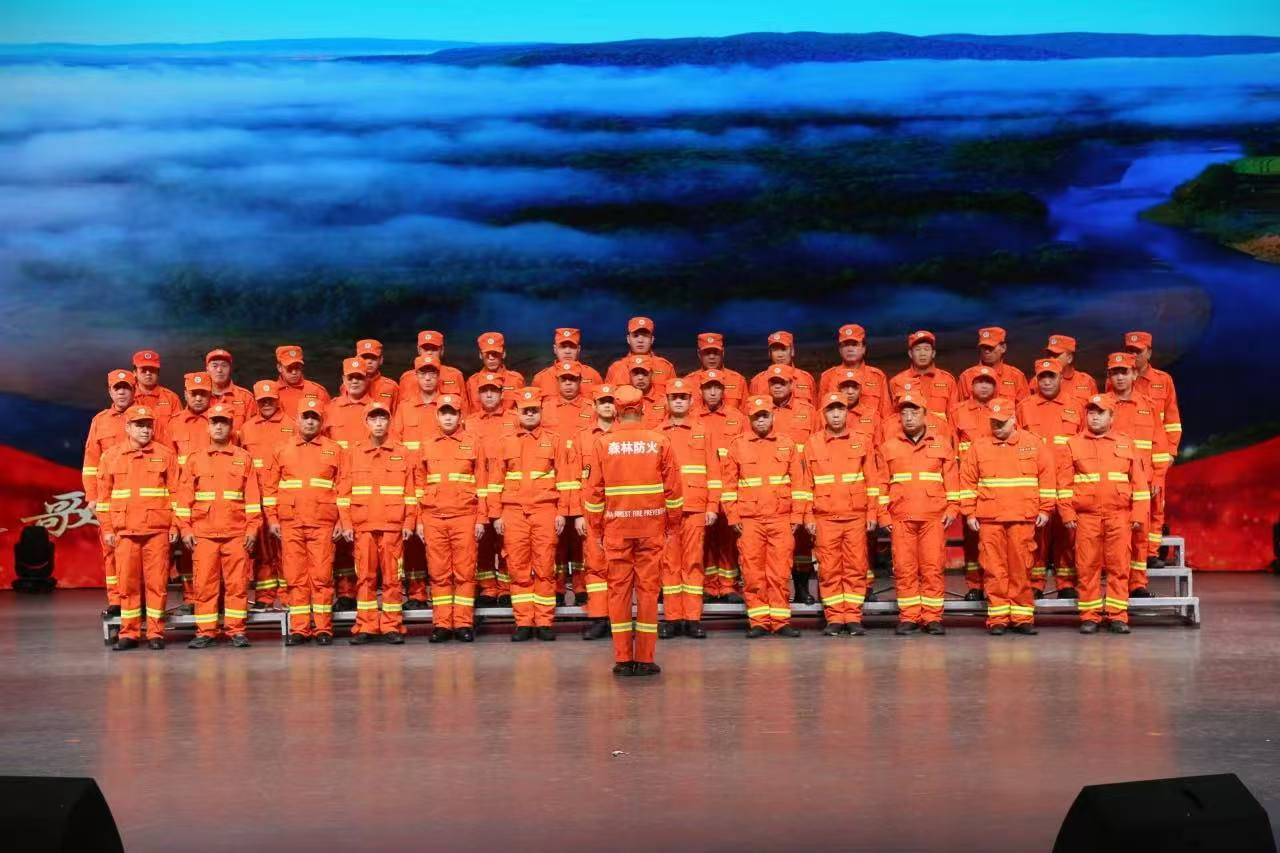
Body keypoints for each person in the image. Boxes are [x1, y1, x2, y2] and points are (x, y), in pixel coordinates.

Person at [582, 385, 683, 676]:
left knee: (619, 592)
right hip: (652, 528)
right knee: (649, 592)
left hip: (616, 529)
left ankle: (623, 659)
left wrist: (596, 530)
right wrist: (672, 525)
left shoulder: (603, 444)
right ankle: (646, 659)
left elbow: (593, 493)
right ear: (642, 408)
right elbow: (674, 491)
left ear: (616, 409)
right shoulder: (660, 441)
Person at [486, 387, 578, 641]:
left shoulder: (554, 440)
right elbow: (495, 481)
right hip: (513, 512)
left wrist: (562, 512)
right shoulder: (505, 441)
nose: (529, 414)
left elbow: (565, 479)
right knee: (518, 568)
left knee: (545, 566)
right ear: (517, 412)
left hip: (545, 510)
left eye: (534, 410)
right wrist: (496, 515)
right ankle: (524, 621)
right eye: (525, 410)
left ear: (540, 412)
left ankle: (544, 622)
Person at [959, 398, 1054, 636]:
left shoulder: (1033, 444)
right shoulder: (979, 446)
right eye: (994, 422)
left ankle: (1022, 617)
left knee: (1021, 567)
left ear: (1013, 420)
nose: (997, 427)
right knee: (993, 569)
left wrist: (1046, 508)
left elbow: (1047, 476)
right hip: (990, 518)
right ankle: (998, 617)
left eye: (1002, 422)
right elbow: (968, 481)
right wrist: (969, 512)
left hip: (1023, 517)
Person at [1058, 394, 1151, 634]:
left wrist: (1138, 515)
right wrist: (1067, 513)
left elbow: (1139, 484)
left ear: (1112, 417)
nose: (1095, 417)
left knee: (1119, 566)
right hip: (1086, 517)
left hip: (1119, 515)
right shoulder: (1073, 444)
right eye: (1091, 412)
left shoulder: (1126, 444)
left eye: (1100, 413)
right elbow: (1063, 484)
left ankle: (1117, 615)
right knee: (1086, 566)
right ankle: (1090, 616)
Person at [720, 396, 810, 638]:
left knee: (780, 571)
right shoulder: (737, 445)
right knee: (752, 572)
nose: (761, 420)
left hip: (781, 519)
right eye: (756, 416)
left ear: (772, 416)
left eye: (765, 415)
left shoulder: (787, 444)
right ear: (749, 418)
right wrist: (733, 516)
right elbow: (728, 485)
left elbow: (799, 484)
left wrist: (797, 516)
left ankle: (780, 621)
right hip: (750, 521)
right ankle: (758, 621)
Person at [175, 404, 261, 648]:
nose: (219, 426)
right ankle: (206, 632)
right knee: (204, 586)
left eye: (224, 422)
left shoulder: (243, 458)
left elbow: (252, 499)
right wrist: (185, 529)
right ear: (208, 427)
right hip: (203, 535)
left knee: (237, 585)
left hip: (236, 534)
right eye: (215, 422)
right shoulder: (195, 459)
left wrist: (252, 529)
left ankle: (236, 631)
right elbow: (184, 499)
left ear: (231, 427)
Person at [97, 405, 180, 650]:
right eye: (139, 425)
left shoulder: (166, 455)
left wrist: (175, 525)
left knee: (157, 585)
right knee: (127, 585)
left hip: (157, 531)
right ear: (128, 427)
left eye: (148, 425)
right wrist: (108, 529)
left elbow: (177, 494)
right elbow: (104, 499)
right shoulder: (110, 457)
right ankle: (129, 633)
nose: (145, 430)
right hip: (125, 532)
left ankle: (156, 633)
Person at [262, 399, 343, 646]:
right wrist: (272, 518)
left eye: (314, 417)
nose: (310, 421)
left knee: (322, 576)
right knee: (295, 577)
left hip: (323, 522)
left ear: (321, 421)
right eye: (306, 417)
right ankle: (299, 628)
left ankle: (323, 628)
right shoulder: (281, 449)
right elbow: (270, 489)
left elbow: (344, 488)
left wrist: (343, 520)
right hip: (291, 523)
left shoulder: (335, 450)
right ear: (297, 420)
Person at [879, 392, 960, 636]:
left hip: (933, 517)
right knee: (904, 569)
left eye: (914, 412)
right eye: (904, 413)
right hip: (900, 517)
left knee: (932, 567)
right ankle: (909, 616)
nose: (909, 417)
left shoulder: (942, 445)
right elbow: (881, 484)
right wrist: (883, 515)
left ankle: (932, 617)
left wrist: (953, 507)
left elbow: (952, 480)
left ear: (925, 415)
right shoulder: (888, 447)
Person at [337, 401, 416, 645]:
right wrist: (346, 524)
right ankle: (366, 625)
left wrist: (409, 522)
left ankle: (392, 625)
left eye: (383, 418)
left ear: (389, 422)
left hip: (393, 525)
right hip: (363, 526)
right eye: (374, 419)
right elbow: (343, 492)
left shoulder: (403, 452)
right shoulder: (353, 453)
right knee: (365, 578)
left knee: (392, 579)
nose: (379, 423)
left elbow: (411, 492)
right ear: (366, 422)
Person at [805, 393, 883, 636]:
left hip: (855, 516)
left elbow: (873, 481)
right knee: (828, 569)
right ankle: (835, 617)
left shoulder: (862, 440)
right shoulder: (812, 443)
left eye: (840, 409)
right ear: (824, 414)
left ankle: (853, 616)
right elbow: (806, 484)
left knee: (856, 567)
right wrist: (808, 516)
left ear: (847, 412)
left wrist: (872, 512)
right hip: (825, 517)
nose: (836, 414)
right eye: (831, 410)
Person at [416, 395, 485, 643]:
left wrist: (481, 519)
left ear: (460, 416)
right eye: (444, 413)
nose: (448, 417)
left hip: (465, 516)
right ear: (437, 416)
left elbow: (483, 484)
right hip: (433, 517)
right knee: (439, 573)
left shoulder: (473, 443)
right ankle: (442, 624)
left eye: (452, 413)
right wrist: (419, 520)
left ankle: (464, 623)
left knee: (465, 572)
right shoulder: (426, 445)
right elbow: (419, 485)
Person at [656, 378, 720, 639]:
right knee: (669, 564)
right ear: (667, 401)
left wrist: (712, 505)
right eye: (674, 397)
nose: (679, 401)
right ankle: (673, 618)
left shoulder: (703, 431)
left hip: (695, 507)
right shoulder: (657, 434)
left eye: (683, 397)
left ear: (692, 400)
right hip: (665, 510)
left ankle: (693, 618)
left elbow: (714, 471)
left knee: (693, 562)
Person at [1016, 358, 1084, 597]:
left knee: (1067, 534)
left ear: (1060, 378)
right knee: (1037, 535)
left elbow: (1083, 443)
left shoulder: (1076, 406)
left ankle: (1066, 584)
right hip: (1034, 482)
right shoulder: (1024, 407)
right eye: (1042, 377)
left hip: (1067, 482)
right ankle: (1035, 584)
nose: (1046, 382)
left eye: (1051, 377)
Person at [1106, 351, 1170, 594]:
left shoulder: (1149, 406)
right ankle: (1114, 587)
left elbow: (1159, 446)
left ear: (1134, 374)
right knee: (1113, 537)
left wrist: (1158, 476)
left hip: (1142, 482)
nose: (1120, 377)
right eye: (1115, 373)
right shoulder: (1099, 406)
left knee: (1140, 534)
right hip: (1112, 482)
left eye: (1124, 372)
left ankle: (1138, 584)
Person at [1121, 331, 1181, 569]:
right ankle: (1128, 552)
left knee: (1155, 505)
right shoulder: (1120, 377)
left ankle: (1150, 553)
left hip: (1155, 455)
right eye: (1129, 350)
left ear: (1149, 353)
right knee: (1127, 507)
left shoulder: (1163, 380)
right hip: (1125, 459)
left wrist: (1170, 453)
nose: (1133, 355)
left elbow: (1172, 421)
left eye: (1138, 351)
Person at [390, 354, 446, 607]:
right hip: (409, 479)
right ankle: (416, 593)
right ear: (416, 376)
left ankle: (442, 593)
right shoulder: (404, 408)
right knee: (411, 538)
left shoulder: (447, 407)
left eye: (432, 373)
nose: (428, 378)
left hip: (437, 481)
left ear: (438, 376)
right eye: (423, 373)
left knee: (439, 540)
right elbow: (395, 444)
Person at [762, 363, 818, 604]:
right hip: (771, 487)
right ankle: (773, 593)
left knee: (802, 540)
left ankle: (802, 588)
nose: (777, 387)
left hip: (801, 483)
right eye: (773, 383)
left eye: (782, 383)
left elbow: (818, 444)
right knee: (773, 545)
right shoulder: (761, 411)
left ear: (792, 385)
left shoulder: (808, 412)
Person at [84, 369, 139, 616]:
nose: (122, 392)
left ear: (134, 390)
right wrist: (92, 496)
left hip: (139, 497)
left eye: (126, 388)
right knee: (111, 549)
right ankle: (117, 600)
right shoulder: (100, 421)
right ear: (110, 391)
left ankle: (139, 600)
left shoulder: (145, 417)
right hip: (110, 497)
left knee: (138, 553)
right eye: (117, 388)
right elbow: (90, 463)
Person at [240, 380, 297, 612]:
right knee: (262, 552)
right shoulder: (246, 428)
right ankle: (264, 596)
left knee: (286, 551)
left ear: (277, 400)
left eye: (270, 400)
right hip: (255, 498)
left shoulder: (292, 425)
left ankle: (288, 596)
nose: (266, 404)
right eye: (262, 401)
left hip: (283, 499)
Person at [325, 357, 377, 609]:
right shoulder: (330, 409)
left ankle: (366, 594)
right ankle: (345, 593)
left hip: (365, 483)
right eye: (350, 377)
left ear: (367, 379)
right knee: (340, 542)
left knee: (364, 543)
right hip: (334, 481)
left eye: (359, 377)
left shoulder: (377, 410)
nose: (355, 381)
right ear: (343, 380)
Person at [695, 370, 746, 602]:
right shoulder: (693, 417)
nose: (713, 392)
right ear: (701, 391)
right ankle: (707, 585)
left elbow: (747, 449)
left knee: (728, 539)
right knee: (704, 539)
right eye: (708, 388)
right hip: (702, 487)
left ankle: (727, 585)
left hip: (730, 485)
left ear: (724, 390)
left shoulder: (738, 417)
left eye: (717, 387)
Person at [573, 384, 618, 639]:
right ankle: (600, 618)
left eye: (611, 401)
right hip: (591, 514)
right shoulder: (582, 437)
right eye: (603, 402)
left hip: (621, 513)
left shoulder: (627, 436)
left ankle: (620, 618)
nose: (608, 406)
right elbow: (574, 479)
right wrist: (578, 514)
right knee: (595, 566)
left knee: (621, 567)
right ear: (595, 406)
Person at [168, 371, 217, 608]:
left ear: (210, 395)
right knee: (187, 549)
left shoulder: (220, 420)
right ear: (185, 394)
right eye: (194, 394)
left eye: (203, 394)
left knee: (216, 552)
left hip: (215, 497)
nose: (198, 398)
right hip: (184, 496)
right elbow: (167, 463)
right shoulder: (173, 423)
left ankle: (217, 598)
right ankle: (190, 598)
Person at [469, 372, 516, 605]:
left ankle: (506, 587)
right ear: (478, 394)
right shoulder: (469, 422)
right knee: (484, 541)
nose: (489, 395)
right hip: (478, 490)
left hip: (506, 490)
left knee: (507, 539)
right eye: (484, 391)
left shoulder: (514, 419)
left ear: (501, 394)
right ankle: (487, 588)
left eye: (493, 391)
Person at [951, 367, 998, 600]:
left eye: (988, 382)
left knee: (994, 539)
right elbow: (951, 448)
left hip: (995, 481)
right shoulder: (957, 412)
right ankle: (974, 585)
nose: (984, 386)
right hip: (967, 480)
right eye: (979, 382)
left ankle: (994, 585)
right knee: (971, 536)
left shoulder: (1003, 410)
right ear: (971, 386)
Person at [819, 324, 892, 419]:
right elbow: (821, 414)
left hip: (870, 428)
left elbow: (886, 415)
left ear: (864, 348)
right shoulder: (828, 377)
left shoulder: (877, 376)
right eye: (845, 345)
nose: (850, 349)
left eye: (854, 344)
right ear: (840, 350)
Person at [889, 330, 958, 426]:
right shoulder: (897, 381)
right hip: (908, 434)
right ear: (910, 353)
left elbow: (954, 416)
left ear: (933, 353)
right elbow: (893, 418)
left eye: (926, 349)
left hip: (940, 434)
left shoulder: (947, 380)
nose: (922, 353)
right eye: (917, 349)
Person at [604, 316, 678, 394]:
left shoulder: (665, 367)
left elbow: (675, 396)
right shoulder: (615, 368)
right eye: (635, 336)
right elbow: (606, 398)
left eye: (645, 336)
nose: (640, 340)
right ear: (628, 339)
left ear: (652, 339)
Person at [957, 327, 1030, 402]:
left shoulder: (1016, 377)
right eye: (983, 347)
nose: (987, 351)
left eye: (990, 347)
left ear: (1003, 348)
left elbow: (1025, 407)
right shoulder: (966, 377)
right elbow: (960, 407)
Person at [397, 330, 468, 407]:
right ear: (418, 350)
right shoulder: (406, 378)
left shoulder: (455, 375)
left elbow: (464, 407)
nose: (429, 353)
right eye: (426, 349)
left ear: (442, 350)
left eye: (434, 349)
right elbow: (400, 409)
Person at [749, 331, 816, 404]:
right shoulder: (757, 381)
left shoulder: (806, 379)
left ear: (792, 351)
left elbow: (814, 409)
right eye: (775, 350)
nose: (780, 355)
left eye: (784, 349)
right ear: (769, 353)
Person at [532, 328, 603, 397]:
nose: (567, 351)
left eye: (572, 347)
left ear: (578, 349)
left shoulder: (593, 375)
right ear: (555, 349)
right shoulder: (541, 378)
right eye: (563, 347)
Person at [686, 333, 747, 413]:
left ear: (723, 352)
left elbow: (746, 414)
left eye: (715, 352)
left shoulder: (738, 380)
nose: (712, 357)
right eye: (707, 352)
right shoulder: (688, 382)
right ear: (699, 354)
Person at [467, 332, 525, 410]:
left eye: (495, 353)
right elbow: (468, 411)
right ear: (480, 355)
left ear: (503, 354)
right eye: (487, 354)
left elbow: (522, 410)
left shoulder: (516, 380)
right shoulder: (472, 382)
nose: (491, 358)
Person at [204, 349, 257, 429]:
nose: (219, 370)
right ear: (207, 369)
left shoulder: (246, 397)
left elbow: (253, 430)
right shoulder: (200, 397)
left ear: (230, 369)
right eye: (215, 366)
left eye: (224, 365)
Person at [273, 345, 331, 415]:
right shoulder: (271, 392)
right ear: (279, 368)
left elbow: (328, 418)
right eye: (289, 368)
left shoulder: (317, 391)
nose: (294, 372)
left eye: (297, 367)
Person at [131, 350, 182, 428]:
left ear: (158, 372)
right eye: (144, 369)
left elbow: (179, 428)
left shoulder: (172, 398)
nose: (148, 373)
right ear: (135, 373)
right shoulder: (128, 397)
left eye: (152, 369)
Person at [1044, 335, 1097, 404]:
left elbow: (1095, 409)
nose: (1051, 359)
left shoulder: (1086, 381)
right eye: (1049, 354)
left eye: (1056, 355)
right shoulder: (1037, 381)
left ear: (1069, 358)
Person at [355, 338, 400, 413]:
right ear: (357, 359)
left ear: (381, 360)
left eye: (373, 358)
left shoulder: (391, 387)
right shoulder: (349, 386)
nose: (369, 361)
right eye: (364, 358)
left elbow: (396, 415)